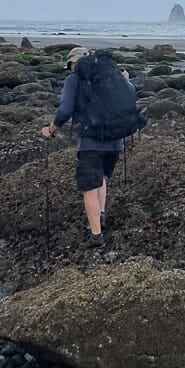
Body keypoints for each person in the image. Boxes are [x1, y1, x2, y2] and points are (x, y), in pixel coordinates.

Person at [41, 46, 133, 247]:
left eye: (71, 65)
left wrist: (51, 129)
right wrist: (126, 81)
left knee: (89, 188)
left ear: (74, 63)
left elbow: (65, 110)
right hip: (115, 141)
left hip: (91, 141)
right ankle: (100, 216)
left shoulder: (74, 80)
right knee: (100, 178)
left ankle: (96, 235)